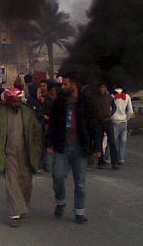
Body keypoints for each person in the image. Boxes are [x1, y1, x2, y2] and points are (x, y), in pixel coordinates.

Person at [47, 75, 98, 224]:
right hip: (62, 147)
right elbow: (53, 122)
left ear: (74, 84)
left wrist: (97, 146)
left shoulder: (85, 101)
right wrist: (49, 143)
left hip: (80, 148)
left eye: (66, 84)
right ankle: (61, 201)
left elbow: (94, 124)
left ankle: (79, 212)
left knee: (80, 183)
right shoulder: (60, 101)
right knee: (57, 176)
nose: (63, 87)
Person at [0, 87, 43, 227]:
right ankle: (15, 213)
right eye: (14, 101)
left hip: (26, 153)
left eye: (18, 101)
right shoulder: (1, 113)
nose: (16, 104)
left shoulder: (27, 112)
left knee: (26, 183)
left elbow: (37, 131)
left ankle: (23, 207)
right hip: (9, 153)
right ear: (8, 101)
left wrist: (37, 149)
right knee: (12, 182)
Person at [92, 82, 114, 169]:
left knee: (112, 141)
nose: (102, 89)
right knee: (99, 142)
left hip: (107, 121)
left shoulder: (109, 97)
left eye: (104, 87)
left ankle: (114, 161)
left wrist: (110, 113)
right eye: (101, 87)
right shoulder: (95, 98)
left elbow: (114, 107)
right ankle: (100, 162)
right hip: (99, 122)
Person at [109, 87, 133, 166]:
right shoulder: (127, 96)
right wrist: (126, 118)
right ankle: (121, 158)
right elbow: (130, 111)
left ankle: (108, 158)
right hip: (123, 121)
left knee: (112, 141)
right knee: (123, 141)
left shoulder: (111, 96)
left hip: (114, 120)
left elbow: (109, 109)